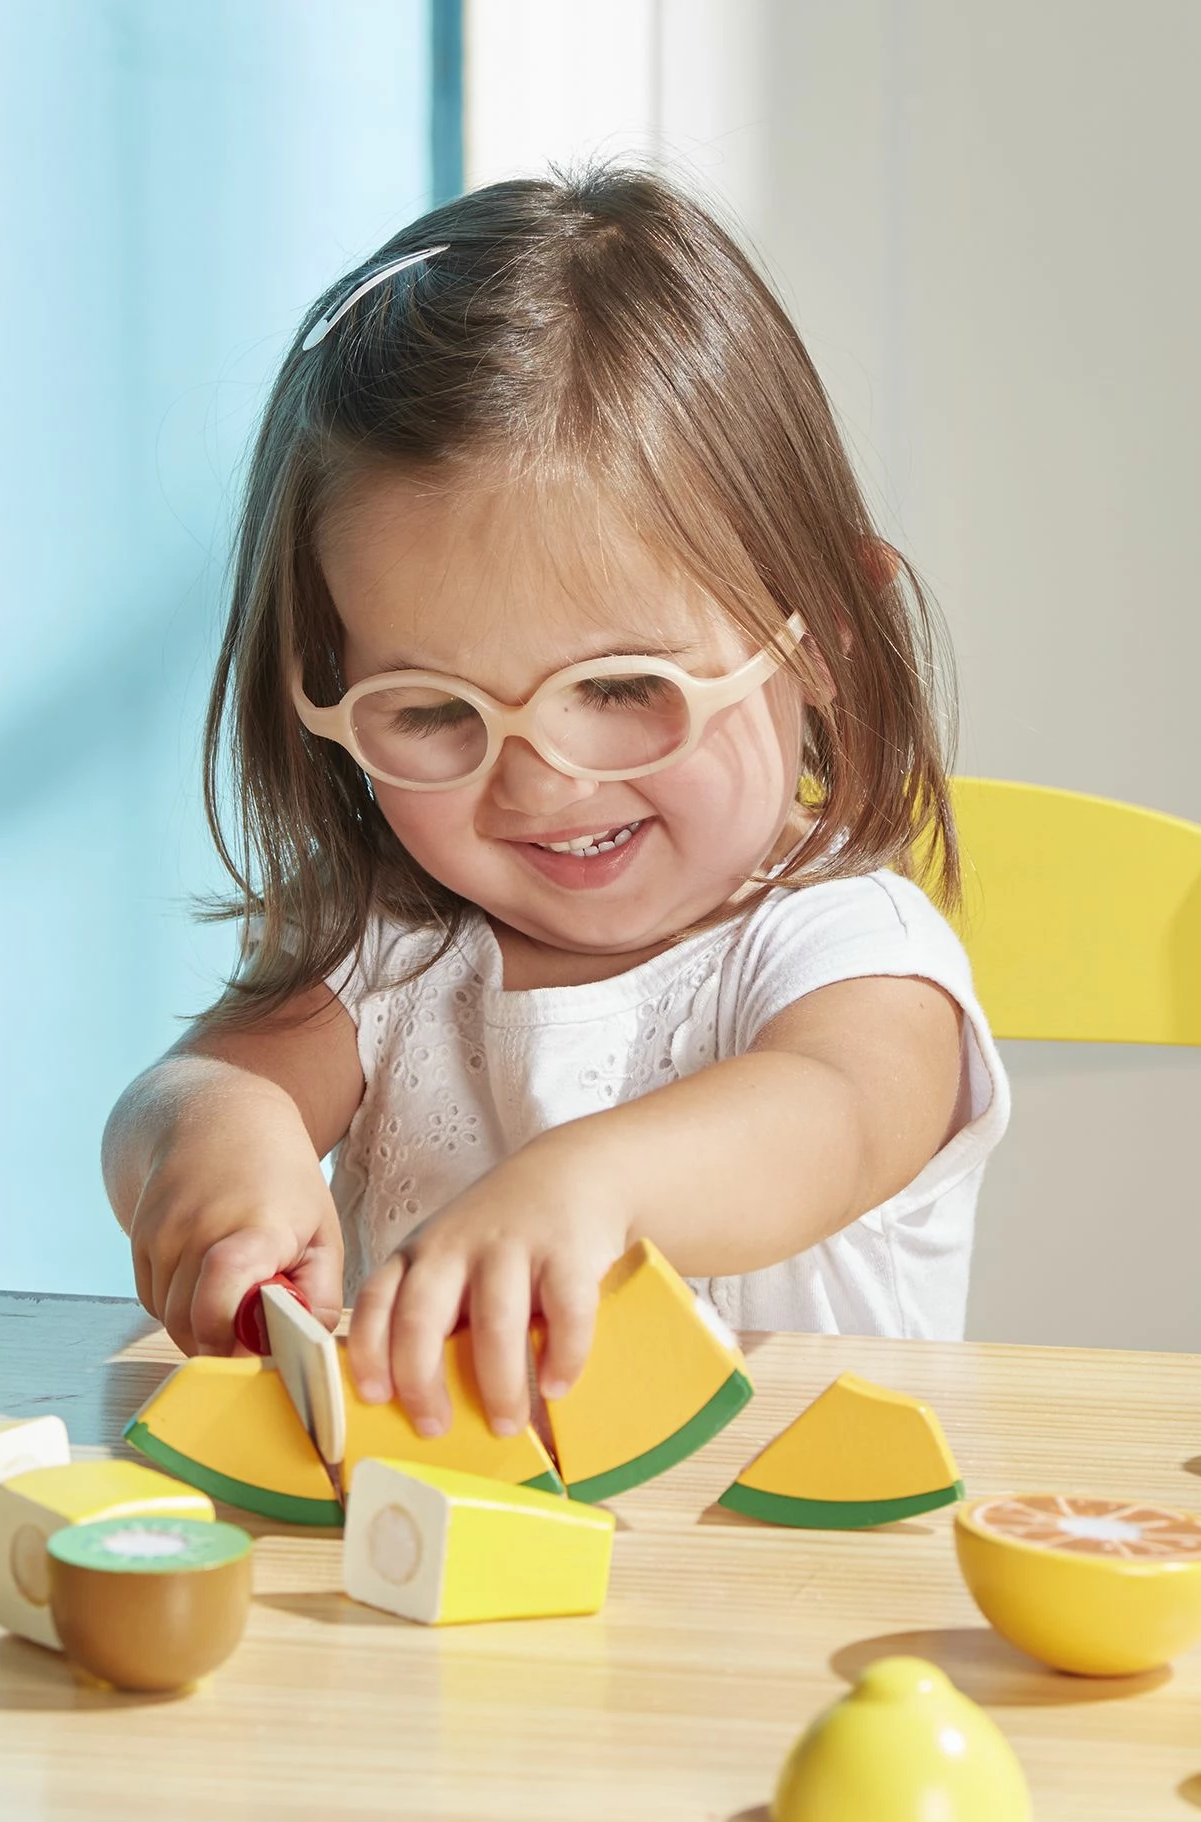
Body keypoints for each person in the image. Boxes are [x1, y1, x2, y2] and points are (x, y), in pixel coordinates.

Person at [102, 167, 1009, 1446]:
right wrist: (220, 1149)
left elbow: (837, 1116)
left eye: (625, 687)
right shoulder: (388, 945)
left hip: (787, 1564)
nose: (540, 781)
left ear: (821, 634)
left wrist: (592, 1182)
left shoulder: (849, 949)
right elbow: (190, 1083)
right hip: (432, 1553)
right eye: (432, 710)